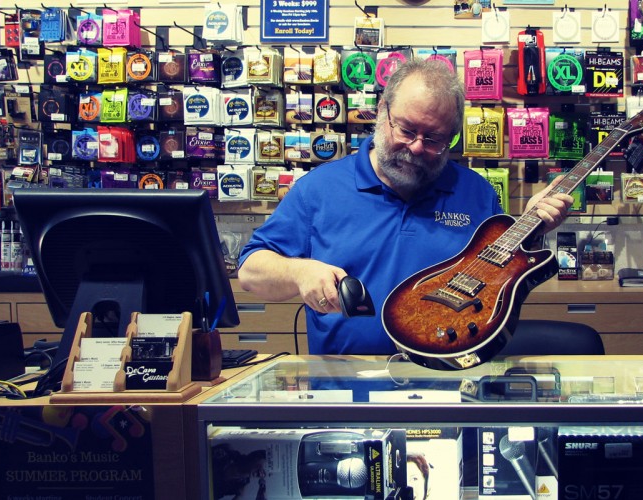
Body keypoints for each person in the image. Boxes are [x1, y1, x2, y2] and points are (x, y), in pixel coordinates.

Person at [237, 58, 573, 355]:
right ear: (382, 111)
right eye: (407, 129)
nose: (415, 148)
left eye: (434, 139)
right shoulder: (319, 189)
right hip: (345, 392)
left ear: (452, 137)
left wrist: (532, 225)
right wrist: (300, 272)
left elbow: (500, 283)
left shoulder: (476, 193)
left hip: (450, 389)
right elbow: (251, 270)